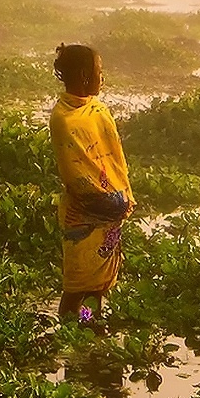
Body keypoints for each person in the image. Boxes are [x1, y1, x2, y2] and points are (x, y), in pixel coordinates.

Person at [49, 42, 133, 325]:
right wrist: (105, 201)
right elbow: (74, 171)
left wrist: (119, 198)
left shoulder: (98, 109)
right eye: (99, 71)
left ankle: (90, 324)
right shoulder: (63, 118)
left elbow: (113, 157)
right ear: (85, 75)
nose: (102, 77)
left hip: (109, 208)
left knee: (98, 284)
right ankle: (70, 335)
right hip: (82, 213)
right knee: (77, 284)